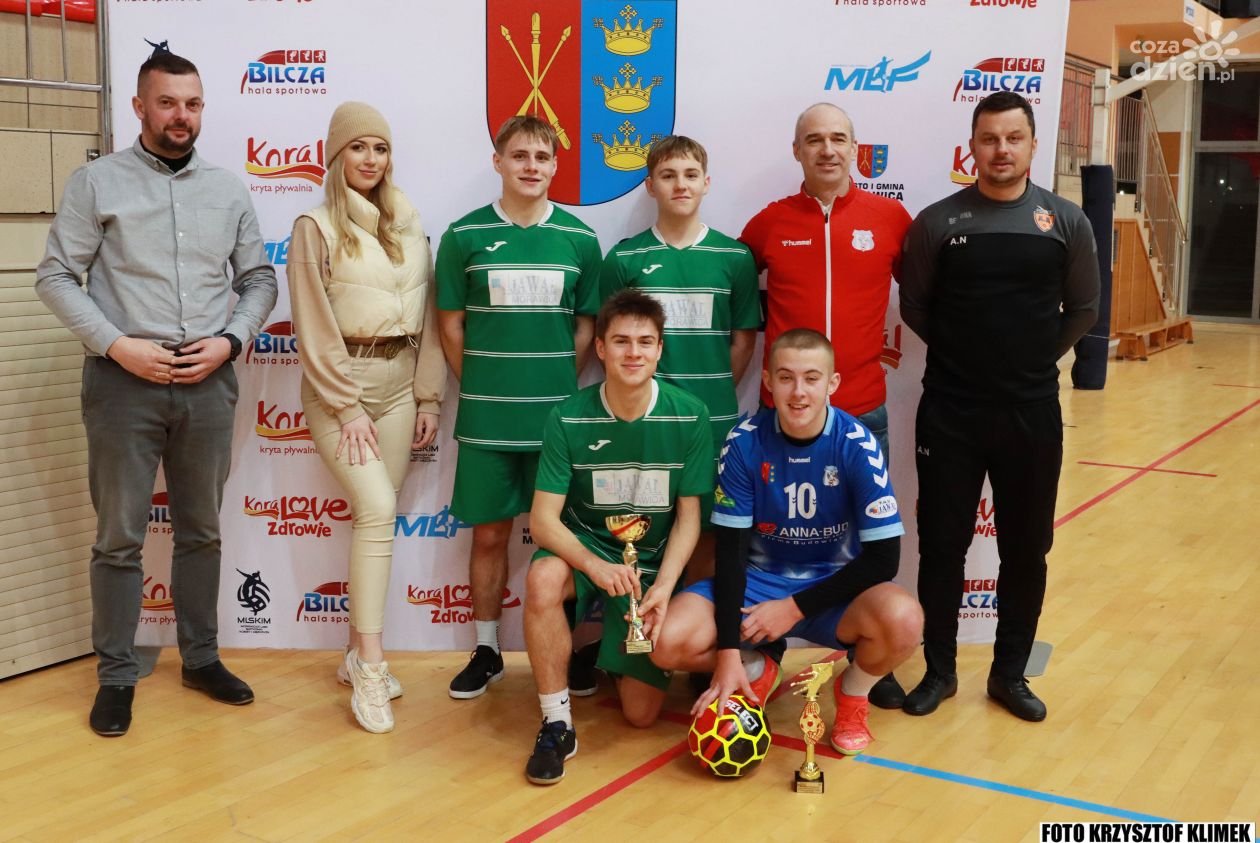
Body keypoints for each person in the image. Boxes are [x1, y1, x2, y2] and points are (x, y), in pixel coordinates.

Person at [34, 48, 277, 737]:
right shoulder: (96, 183)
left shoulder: (228, 189)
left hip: (208, 383)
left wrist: (230, 341)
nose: (181, 116)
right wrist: (118, 344)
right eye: (167, 103)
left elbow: (259, 279)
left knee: (202, 530)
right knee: (119, 537)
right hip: (122, 385)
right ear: (139, 106)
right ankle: (117, 673)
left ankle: (201, 658)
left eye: (192, 104)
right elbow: (55, 276)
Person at [898, 91, 1100, 722]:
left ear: (1033, 145)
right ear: (973, 147)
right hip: (950, 413)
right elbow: (915, 306)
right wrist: (966, 355)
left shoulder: (1065, 221)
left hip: (1031, 413)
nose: (1001, 150)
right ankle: (939, 671)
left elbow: (1085, 309)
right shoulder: (937, 223)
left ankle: (1009, 675)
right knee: (942, 547)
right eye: (989, 139)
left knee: (1026, 549)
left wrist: (1034, 358)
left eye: (1013, 138)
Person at [652, 329, 922, 756]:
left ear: (832, 384)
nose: (798, 392)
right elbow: (730, 553)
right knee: (665, 642)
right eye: (786, 377)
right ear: (767, 381)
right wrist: (727, 653)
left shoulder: (857, 444)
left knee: (905, 620)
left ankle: (853, 695)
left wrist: (794, 607)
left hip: (833, 587)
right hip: (758, 585)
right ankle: (756, 667)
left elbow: (884, 560)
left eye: (811, 378)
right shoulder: (744, 442)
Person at [739, 102, 911, 707]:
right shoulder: (768, 224)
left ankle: (870, 661)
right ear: (797, 151)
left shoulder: (891, 219)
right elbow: (736, 302)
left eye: (839, 138)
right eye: (814, 140)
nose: (828, 149)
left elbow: (926, 297)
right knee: (769, 538)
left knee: (867, 544)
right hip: (781, 418)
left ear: (855, 148)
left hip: (862, 411)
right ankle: (762, 645)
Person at [288, 102, 445, 733]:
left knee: (378, 516)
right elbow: (312, 322)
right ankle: (373, 667)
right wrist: (346, 404)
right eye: (358, 147)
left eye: (380, 147)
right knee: (377, 509)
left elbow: (428, 314)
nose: (370, 159)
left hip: (400, 387)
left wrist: (428, 396)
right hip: (341, 390)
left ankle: (356, 652)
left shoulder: (408, 220)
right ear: (336, 154)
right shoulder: (314, 225)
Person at [436, 115, 602, 700]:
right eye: (520, 156)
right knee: (488, 537)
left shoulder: (581, 239)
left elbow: (585, 328)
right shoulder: (463, 236)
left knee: (566, 539)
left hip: (557, 423)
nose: (531, 166)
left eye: (542, 157)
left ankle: (573, 651)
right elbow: (451, 325)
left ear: (555, 166)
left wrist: (556, 384)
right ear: (498, 162)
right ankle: (486, 650)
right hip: (487, 419)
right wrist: (483, 385)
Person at [523, 290, 712, 785]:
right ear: (601, 348)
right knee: (543, 578)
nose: (634, 352)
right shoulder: (567, 416)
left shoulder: (690, 414)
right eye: (622, 341)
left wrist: (664, 587)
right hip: (587, 551)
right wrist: (595, 565)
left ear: (660, 349)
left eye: (645, 342)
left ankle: (604, 652)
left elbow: (689, 519)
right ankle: (557, 724)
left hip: (648, 563)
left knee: (641, 715)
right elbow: (543, 522)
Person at [600, 135, 760, 584]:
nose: (680, 185)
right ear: (650, 185)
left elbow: (742, 342)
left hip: (713, 420)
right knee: (644, 530)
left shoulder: (734, 257)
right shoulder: (624, 258)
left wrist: (710, 394)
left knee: (707, 532)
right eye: (668, 176)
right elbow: (611, 343)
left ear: (706, 183)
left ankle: (690, 622)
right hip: (643, 421)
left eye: (691, 175)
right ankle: (642, 621)